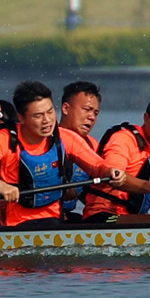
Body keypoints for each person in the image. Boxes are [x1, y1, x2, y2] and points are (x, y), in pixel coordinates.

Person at [0, 81, 125, 228]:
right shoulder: (5, 140)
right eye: (38, 116)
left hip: (54, 223)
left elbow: (97, 165)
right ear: (21, 118)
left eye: (50, 112)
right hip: (14, 227)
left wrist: (110, 171)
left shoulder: (65, 138)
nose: (47, 120)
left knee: (68, 220)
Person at [83, 95, 150, 222]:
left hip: (131, 217)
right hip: (103, 216)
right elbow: (114, 176)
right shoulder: (124, 140)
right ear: (147, 119)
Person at [57, 81, 102, 220]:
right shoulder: (45, 140)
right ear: (65, 108)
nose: (92, 117)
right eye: (86, 109)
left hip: (66, 218)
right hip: (35, 219)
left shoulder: (92, 145)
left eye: (95, 113)